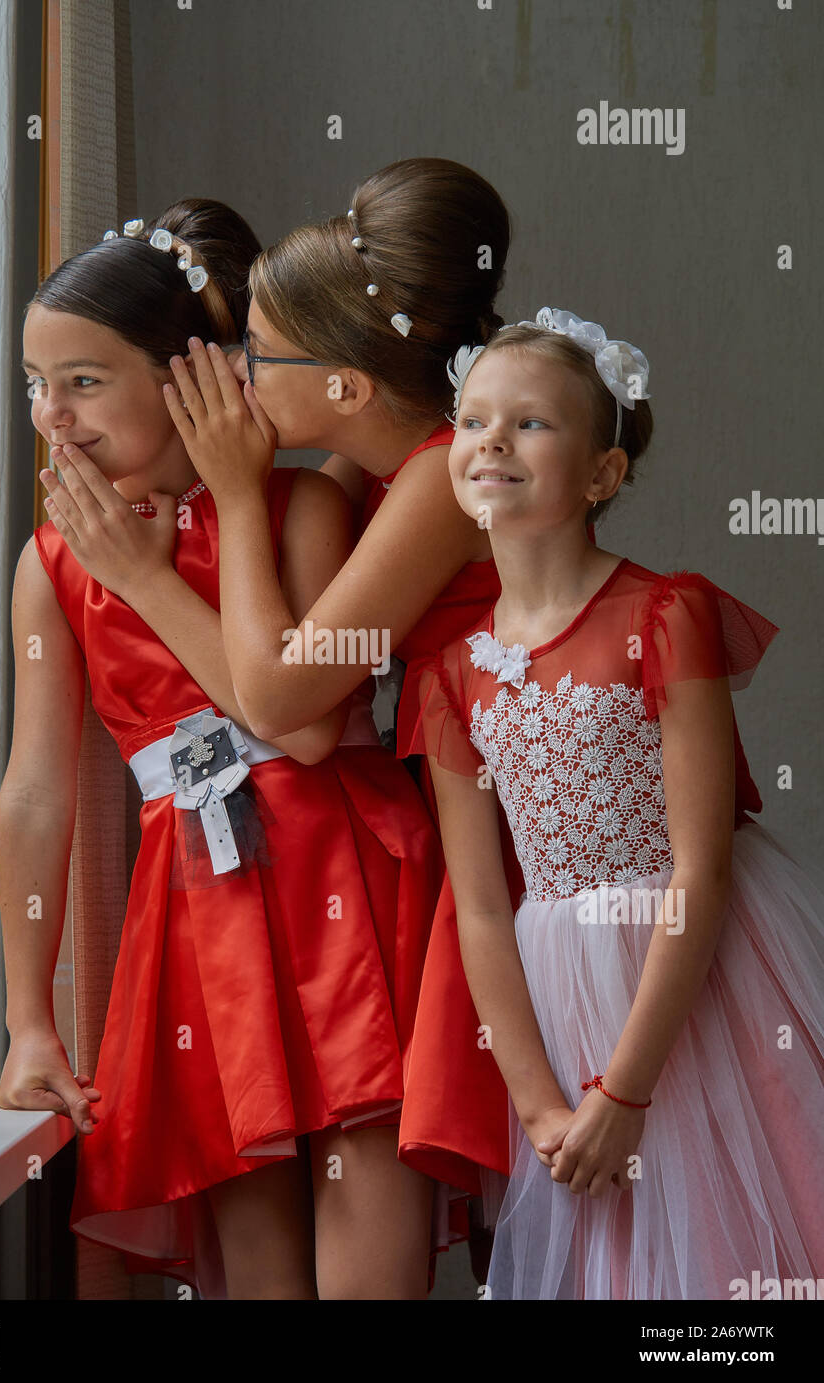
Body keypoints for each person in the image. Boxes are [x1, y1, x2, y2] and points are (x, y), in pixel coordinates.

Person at [47, 160, 520, 1266]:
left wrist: (204, 529)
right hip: (481, 833)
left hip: (544, 843)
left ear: (344, 388)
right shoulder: (376, 484)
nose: (233, 375)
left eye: (258, 353)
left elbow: (284, 704)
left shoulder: (443, 477)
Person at [413, 306, 824, 1298]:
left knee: (740, 1236)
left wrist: (625, 1089)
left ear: (603, 473)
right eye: (473, 421)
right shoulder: (449, 674)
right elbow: (477, 906)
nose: (492, 442)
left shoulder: (664, 615)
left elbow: (703, 863)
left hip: (700, 975)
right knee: (622, 1254)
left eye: (531, 423)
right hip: (562, 996)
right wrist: (543, 1105)